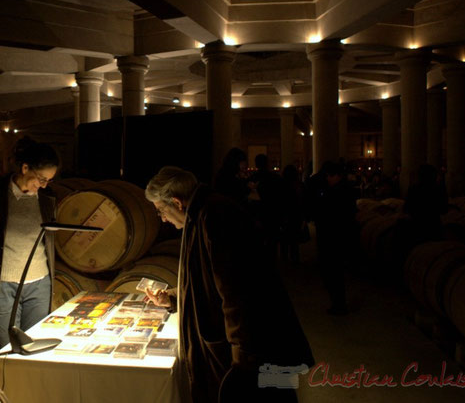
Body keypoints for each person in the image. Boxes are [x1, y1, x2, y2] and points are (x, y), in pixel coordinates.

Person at [144, 166, 314, 402]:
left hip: (245, 349)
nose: (163, 219)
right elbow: (206, 281)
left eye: (161, 211)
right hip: (233, 344)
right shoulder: (202, 213)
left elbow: (236, 291)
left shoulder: (214, 216)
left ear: (176, 202)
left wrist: (243, 357)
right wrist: (172, 297)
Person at [0, 136, 59, 353]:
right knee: (5, 347)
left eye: (48, 180)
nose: (43, 185)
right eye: (41, 178)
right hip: (3, 284)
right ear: (25, 168)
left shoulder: (47, 199)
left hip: (39, 284)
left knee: (36, 343)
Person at [310, 161, 357, 316]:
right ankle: (337, 303)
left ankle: (339, 304)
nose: (327, 179)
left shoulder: (340, 191)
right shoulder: (342, 189)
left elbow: (334, 215)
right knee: (333, 273)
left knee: (334, 273)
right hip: (335, 236)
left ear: (336, 176)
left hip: (334, 238)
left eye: (329, 176)